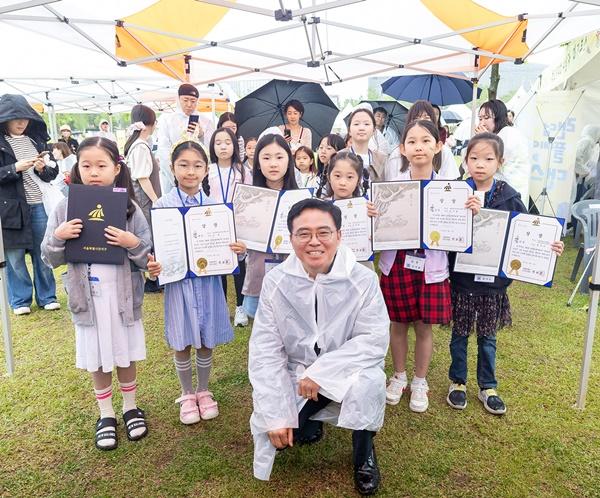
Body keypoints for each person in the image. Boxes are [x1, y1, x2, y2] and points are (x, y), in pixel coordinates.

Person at [249, 198, 390, 494]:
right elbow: (265, 350)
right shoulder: (277, 281)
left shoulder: (362, 280)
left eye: (323, 232)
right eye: (304, 233)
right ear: (291, 239)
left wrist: (323, 372)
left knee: (369, 383)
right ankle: (307, 421)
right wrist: (275, 414)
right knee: (276, 432)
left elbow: (373, 338)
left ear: (339, 235)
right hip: (297, 370)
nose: (314, 242)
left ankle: (364, 452)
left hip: (348, 369)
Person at [42, 137, 153, 450]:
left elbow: (147, 257)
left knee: (124, 352)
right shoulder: (65, 207)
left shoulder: (129, 209)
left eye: (102, 165)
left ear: (116, 169)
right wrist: (59, 238)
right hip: (86, 299)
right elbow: (49, 257)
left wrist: (132, 243)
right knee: (98, 357)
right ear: (77, 168)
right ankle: (106, 414)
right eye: (86, 165)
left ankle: (131, 407)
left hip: (123, 299)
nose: (93, 171)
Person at [447, 133, 564, 415]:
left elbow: (528, 233)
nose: (480, 164)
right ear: (465, 160)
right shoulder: (457, 193)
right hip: (463, 279)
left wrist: (550, 246)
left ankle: (487, 386)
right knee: (460, 333)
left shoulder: (510, 198)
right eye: (474, 158)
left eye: (488, 159)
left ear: (500, 162)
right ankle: (457, 382)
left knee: (488, 337)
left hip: (494, 283)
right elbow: (446, 231)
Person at [378, 120, 480, 413]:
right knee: (397, 323)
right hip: (396, 263)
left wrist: (471, 212)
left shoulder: (452, 191)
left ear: (438, 146)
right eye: (412, 141)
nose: (419, 146)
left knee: (424, 326)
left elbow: (460, 234)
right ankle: (399, 375)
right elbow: (381, 227)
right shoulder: (391, 189)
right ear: (402, 149)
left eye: (426, 140)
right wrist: (374, 214)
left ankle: (420, 380)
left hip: (432, 266)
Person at [148, 139, 246, 425]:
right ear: (172, 168)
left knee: (206, 338)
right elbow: (155, 248)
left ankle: (203, 390)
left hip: (208, 284)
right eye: (183, 165)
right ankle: (186, 392)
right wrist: (153, 265)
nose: (190, 171)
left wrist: (235, 251)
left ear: (206, 170)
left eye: (197, 165)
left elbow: (227, 248)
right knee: (182, 338)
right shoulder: (162, 206)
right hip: (178, 284)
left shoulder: (216, 208)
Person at [0, 94, 60, 316]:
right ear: (4, 119)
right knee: (14, 256)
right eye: (15, 118)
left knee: (42, 251)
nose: (21, 122)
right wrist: (14, 167)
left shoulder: (36, 141)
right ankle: (20, 300)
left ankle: (47, 296)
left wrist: (43, 168)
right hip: (11, 208)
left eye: (24, 118)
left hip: (38, 205)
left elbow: (52, 173)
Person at [241, 134, 298, 319]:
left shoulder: (301, 198)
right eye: (266, 157)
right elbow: (241, 246)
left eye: (279, 157)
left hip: (294, 276)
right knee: (260, 334)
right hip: (259, 274)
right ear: (257, 163)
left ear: (289, 160)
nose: (273, 163)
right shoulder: (247, 199)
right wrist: (240, 247)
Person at [207, 127, 251, 326]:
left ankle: (240, 307)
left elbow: (250, 196)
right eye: (218, 143)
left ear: (235, 145)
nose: (223, 146)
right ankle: (222, 308)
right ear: (212, 146)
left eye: (227, 142)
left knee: (239, 267)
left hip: (237, 225)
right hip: (215, 225)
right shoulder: (208, 170)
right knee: (219, 267)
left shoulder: (243, 170)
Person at [124, 104, 162, 294]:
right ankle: (152, 279)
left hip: (142, 199)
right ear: (152, 123)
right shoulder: (140, 146)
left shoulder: (137, 144)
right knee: (148, 238)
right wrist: (156, 200)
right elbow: (142, 177)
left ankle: (152, 278)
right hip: (144, 200)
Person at [156, 83, 215, 195]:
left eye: (193, 101)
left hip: (197, 175)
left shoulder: (206, 122)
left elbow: (210, 152)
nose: (189, 104)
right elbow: (163, 151)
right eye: (185, 100)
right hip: (173, 175)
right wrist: (175, 175)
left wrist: (202, 136)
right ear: (178, 99)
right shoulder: (167, 120)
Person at [385, 100, 460, 181]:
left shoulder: (444, 152)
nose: (421, 121)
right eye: (416, 118)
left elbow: (450, 186)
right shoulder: (396, 155)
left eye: (427, 118)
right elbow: (391, 187)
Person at [476, 99, 531, 204]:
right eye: (480, 118)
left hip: (510, 192)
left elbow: (493, 161)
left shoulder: (508, 133)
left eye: (486, 118)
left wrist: (486, 139)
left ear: (498, 117)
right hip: (503, 190)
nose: (482, 122)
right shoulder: (501, 134)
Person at [344, 108, 388, 183]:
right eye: (356, 124)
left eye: (366, 124)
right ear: (349, 130)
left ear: (374, 131)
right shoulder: (339, 157)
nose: (361, 128)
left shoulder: (381, 160)